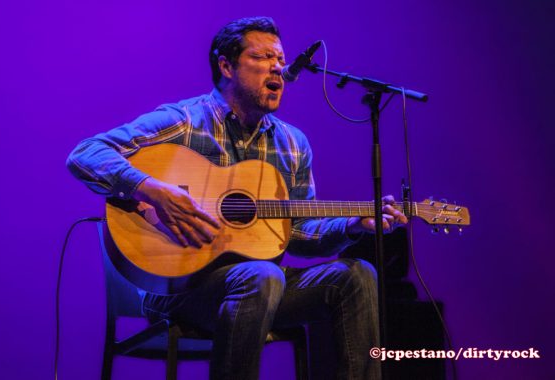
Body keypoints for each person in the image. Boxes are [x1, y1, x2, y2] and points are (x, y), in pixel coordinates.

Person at [67, 16, 407, 380]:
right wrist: (153, 190)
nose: (278, 67)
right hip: (181, 289)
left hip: (260, 286)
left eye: (280, 59)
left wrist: (353, 226)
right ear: (226, 65)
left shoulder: (293, 144)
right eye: (262, 58)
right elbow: (85, 154)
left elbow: (298, 234)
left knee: (356, 275)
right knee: (262, 275)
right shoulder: (184, 119)